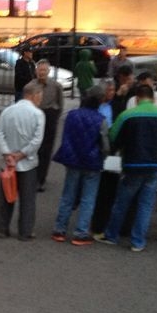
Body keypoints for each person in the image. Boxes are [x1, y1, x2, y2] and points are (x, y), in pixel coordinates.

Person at [95, 83, 157, 252]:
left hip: (132, 163)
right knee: (146, 205)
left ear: (137, 99)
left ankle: (111, 235)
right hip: (155, 164)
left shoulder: (127, 115)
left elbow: (113, 136)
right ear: (153, 99)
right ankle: (138, 241)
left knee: (122, 201)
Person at [50, 84, 108, 246]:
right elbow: (105, 145)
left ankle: (59, 229)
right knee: (88, 198)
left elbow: (66, 136)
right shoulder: (101, 120)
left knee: (68, 195)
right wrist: (103, 157)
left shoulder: (72, 115)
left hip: (73, 159)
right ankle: (80, 232)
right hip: (92, 162)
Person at [0, 80, 45, 240]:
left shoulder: (7, 111)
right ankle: (25, 231)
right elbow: (37, 140)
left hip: (8, 163)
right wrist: (22, 154)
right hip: (27, 163)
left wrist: (7, 154)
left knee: (6, 197)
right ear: (35, 95)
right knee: (27, 199)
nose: (41, 99)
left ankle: (3, 229)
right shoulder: (38, 114)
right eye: (40, 95)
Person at [34, 59, 64, 191]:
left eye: (44, 70)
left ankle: (41, 178)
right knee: (34, 148)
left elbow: (60, 105)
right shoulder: (31, 86)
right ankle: (31, 176)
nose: (42, 72)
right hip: (35, 116)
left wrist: (55, 117)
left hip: (49, 117)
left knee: (46, 150)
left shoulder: (56, 86)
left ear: (48, 71)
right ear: (36, 71)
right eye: (40, 70)